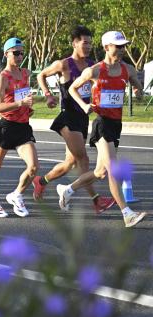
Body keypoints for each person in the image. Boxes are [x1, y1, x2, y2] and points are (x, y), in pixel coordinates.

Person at [56, 31, 147, 228]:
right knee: (113, 169)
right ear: (107, 47)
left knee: (100, 172)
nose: (122, 49)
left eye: (124, 46)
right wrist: (83, 105)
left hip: (116, 124)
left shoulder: (128, 70)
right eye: (118, 46)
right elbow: (72, 89)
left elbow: (139, 89)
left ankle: (67, 190)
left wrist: (139, 91)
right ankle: (127, 213)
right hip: (101, 122)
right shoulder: (94, 71)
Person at [35, 25, 115, 214]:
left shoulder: (92, 65)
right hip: (67, 117)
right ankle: (96, 201)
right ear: (75, 43)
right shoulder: (63, 64)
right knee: (83, 160)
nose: (87, 47)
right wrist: (48, 94)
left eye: (90, 43)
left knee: (69, 163)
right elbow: (41, 75)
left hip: (83, 118)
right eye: (84, 43)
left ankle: (41, 181)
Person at [0, 38, 38, 218]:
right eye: (15, 52)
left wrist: (27, 107)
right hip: (7, 127)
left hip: (23, 127)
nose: (19, 55)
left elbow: (23, 96)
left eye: (22, 52)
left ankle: (16, 195)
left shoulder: (25, 74)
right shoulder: (3, 78)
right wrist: (20, 103)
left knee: (33, 167)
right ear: (6, 54)